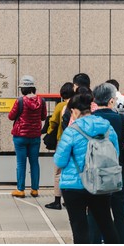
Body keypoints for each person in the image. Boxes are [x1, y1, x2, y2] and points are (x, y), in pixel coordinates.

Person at [53, 92, 119, 244]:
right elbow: (115, 153)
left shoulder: (71, 131)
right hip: (101, 182)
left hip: (74, 186)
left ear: (75, 110)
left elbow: (60, 161)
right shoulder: (107, 128)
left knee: (79, 228)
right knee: (107, 224)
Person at [89, 83, 124, 243]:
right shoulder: (121, 119)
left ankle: (93, 244)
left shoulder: (88, 120)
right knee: (120, 211)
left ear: (95, 100)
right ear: (112, 101)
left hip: (94, 173)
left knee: (94, 212)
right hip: (116, 172)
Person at [8, 75, 47, 198]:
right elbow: (43, 117)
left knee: (21, 163)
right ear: (33, 88)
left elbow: (11, 116)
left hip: (20, 136)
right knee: (34, 162)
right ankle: (35, 189)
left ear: (23, 89)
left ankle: (20, 190)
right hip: (35, 136)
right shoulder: (42, 101)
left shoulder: (20, 101)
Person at [45, 82, 74, 210]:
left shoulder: (61, 106)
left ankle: (57, 200)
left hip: (62, 141)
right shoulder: (77, 105)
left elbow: (53, 122)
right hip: (76, 142)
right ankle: (69, 200)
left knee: (58, 171)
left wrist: (49, 132)